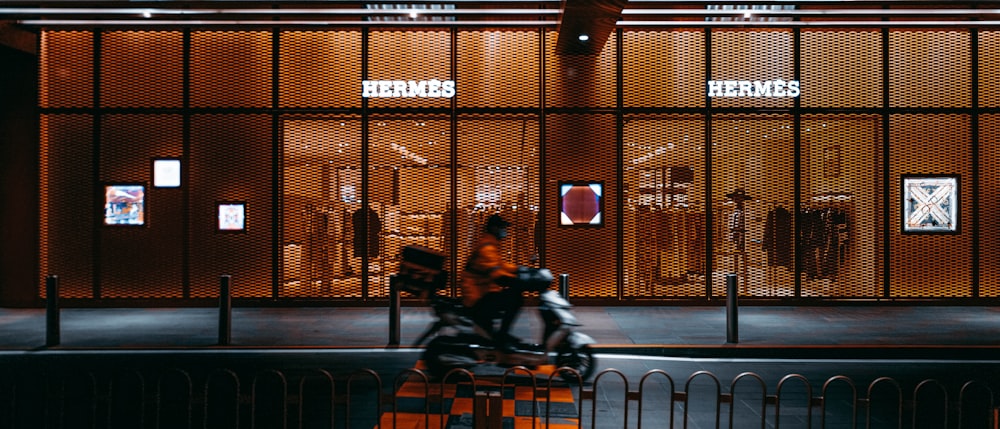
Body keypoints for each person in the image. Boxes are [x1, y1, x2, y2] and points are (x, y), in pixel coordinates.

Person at [462, 214, 523, 350]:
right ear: (494, 228)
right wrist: (517, 280)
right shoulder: (486, 248)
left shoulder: (490, 244)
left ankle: (499, 335)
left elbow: (500, 265)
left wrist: (520, 270)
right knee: (515, 298)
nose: (504, 231)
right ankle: (502, 336)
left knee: (511, 297)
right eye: (502, 227)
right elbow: (497, 274)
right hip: (476, 297)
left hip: (484, 292)